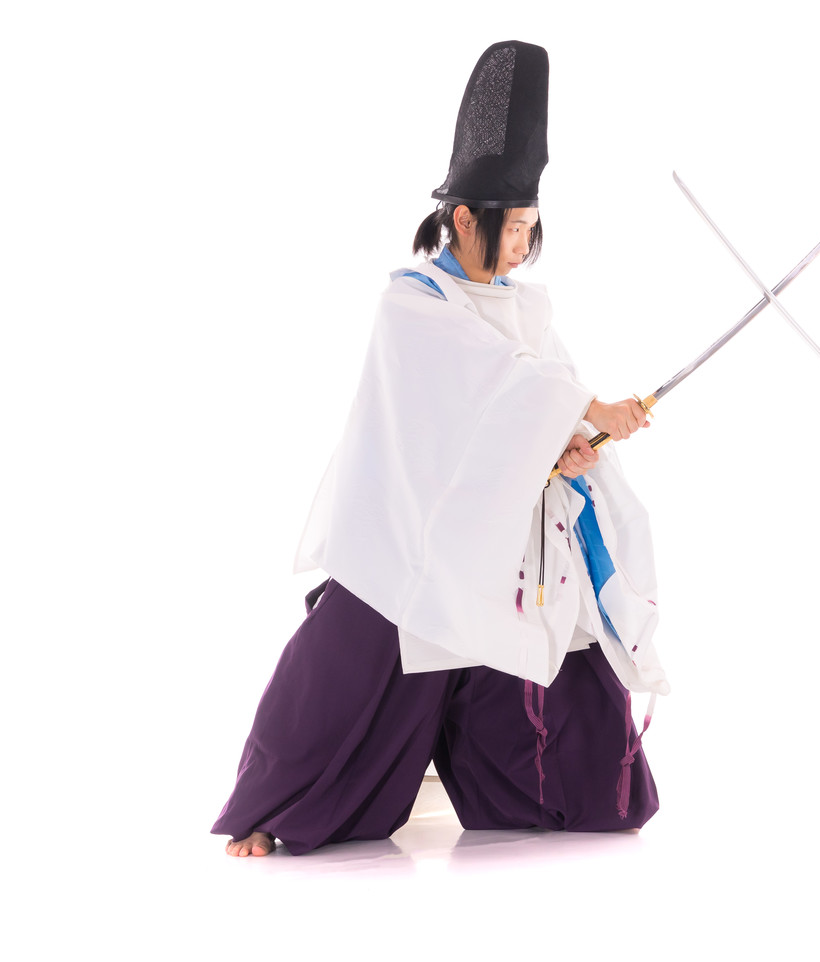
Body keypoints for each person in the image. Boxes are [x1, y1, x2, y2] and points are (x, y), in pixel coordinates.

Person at [213, 40, 668, 857]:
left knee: (600, 788)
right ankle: (271, 806)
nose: (523, 245)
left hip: (507, 553)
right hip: (411, 538)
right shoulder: (413, 305)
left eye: (531, 228)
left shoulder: (526, 309)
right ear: (464, 219)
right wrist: (579, 408)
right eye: (514, 228)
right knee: (340, 673)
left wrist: (571, 445)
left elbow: (535, 401)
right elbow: (491, 387)